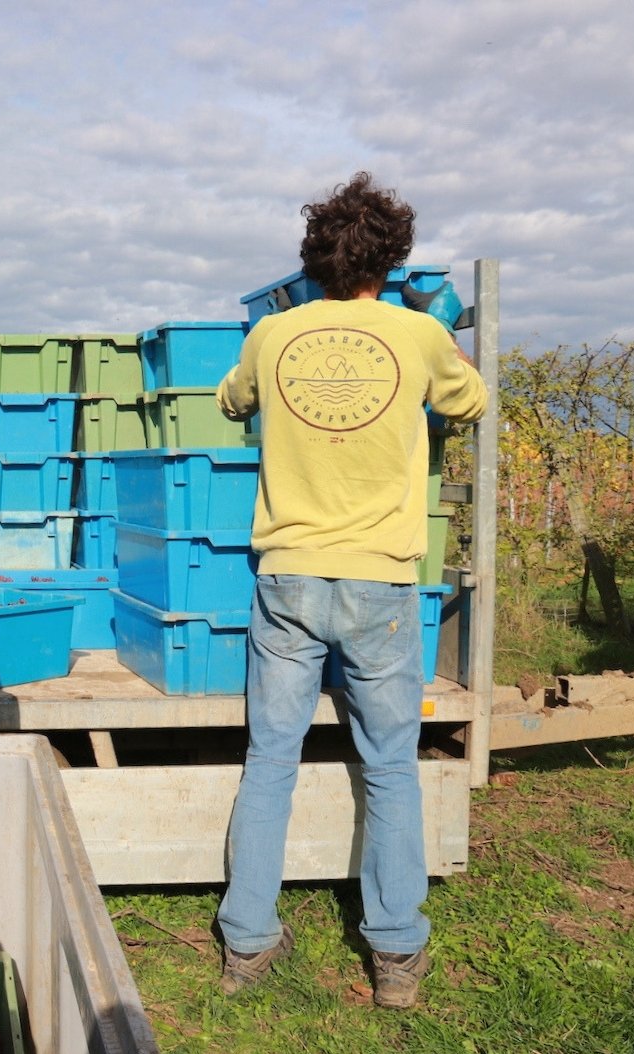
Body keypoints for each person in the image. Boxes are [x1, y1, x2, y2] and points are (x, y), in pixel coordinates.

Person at [212, 173, 487, 1010]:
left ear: (311, 259)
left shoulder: (275, 333)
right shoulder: (415, 334)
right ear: (394, 257)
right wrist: (433, 340)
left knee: (270, 760)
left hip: (288, 573)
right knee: (390, 767)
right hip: (381, 578)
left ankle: (247, 942)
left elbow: (232, 402)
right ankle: (397, 954)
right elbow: (470, 401)